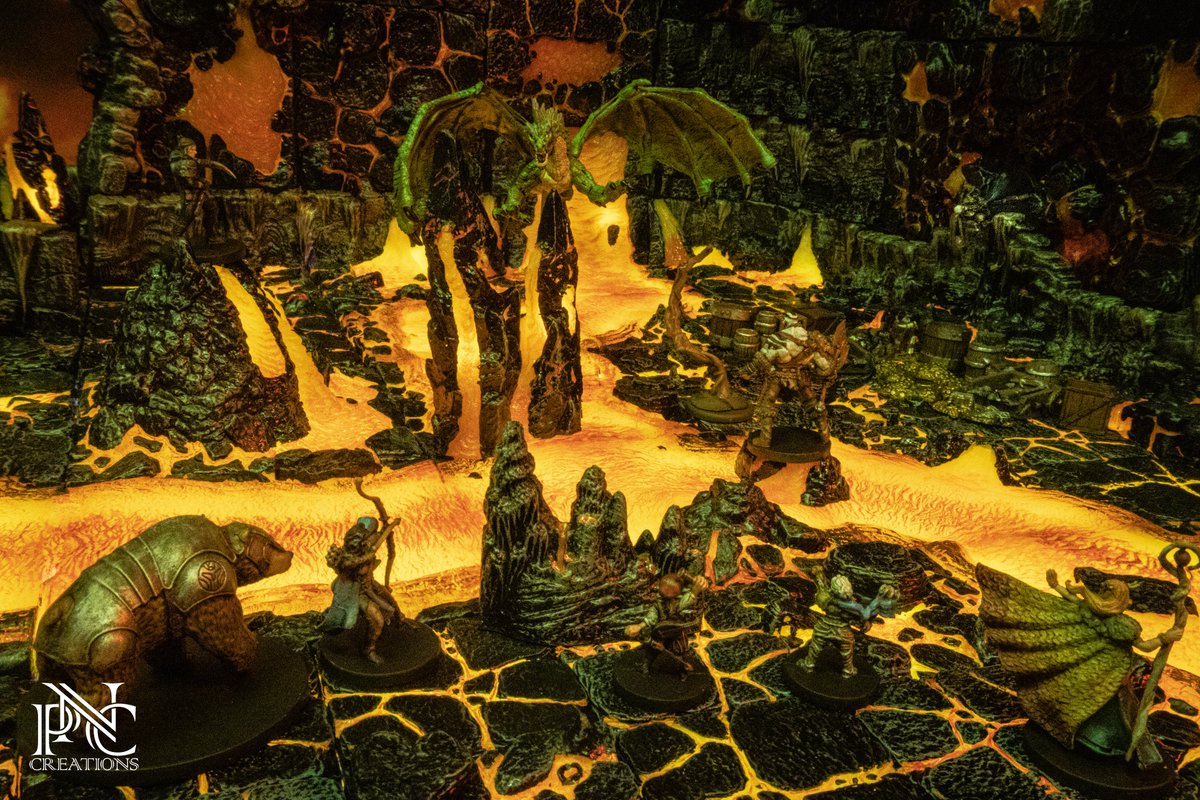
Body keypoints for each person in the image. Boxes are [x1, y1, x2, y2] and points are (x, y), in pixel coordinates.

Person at [321, 517, 405, 663]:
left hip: (371, 585)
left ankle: (400, 621)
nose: (370, 540)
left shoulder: (367, 549)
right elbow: (345, 574)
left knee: (391, 602)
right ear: (359, 543)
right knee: (377, 620)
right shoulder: (348, 562)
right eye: (367, 538)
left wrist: (391, 525)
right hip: (357, 593)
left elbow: (380, 538)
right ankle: (369, 649)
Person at [800, 568, 898, 678]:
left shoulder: (826, 597)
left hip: (824, 625)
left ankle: (808, 665)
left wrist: (819, 573)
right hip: (842, 630)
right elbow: (866, 613)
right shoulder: (850, 605)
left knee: (816, 646)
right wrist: (878, 598)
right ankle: (848, 671)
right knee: (846, 651)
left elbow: (822, 586)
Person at [625, 573, 709, 678]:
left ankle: (682, 669)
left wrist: (696, 589)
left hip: (677, 631)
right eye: (663, 594)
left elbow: (687, 602)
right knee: (652, 650)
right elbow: (652, 616)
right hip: (661, 632)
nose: (666, 598)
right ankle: (645, 665)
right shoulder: (659, 603)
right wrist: (640, 626)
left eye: (670, 595)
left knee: (679, 651)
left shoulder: (682, 600)